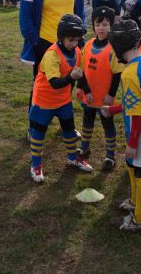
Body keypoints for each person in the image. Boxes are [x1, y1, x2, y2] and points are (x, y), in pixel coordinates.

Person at [101, 19, 141, 232]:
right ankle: (136, 202)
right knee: (134, 167)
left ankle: (139, 219)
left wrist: (132, 143)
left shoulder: (129, 74)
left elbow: (138, 112)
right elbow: (139, 102)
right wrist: (113, 109)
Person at [19, 0, 85, 104]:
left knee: (68, 83)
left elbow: (80, 12)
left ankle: (66, 123)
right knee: (41, 85)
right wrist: (36, 41)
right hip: (45, 44)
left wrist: (79, 36)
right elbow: (25, 20)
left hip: (70, 45)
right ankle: (34, 126)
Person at [28, 14, 93, 182]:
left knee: (69, 130)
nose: (74, 43)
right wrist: (72, 78)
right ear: (61, 37)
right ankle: (35, 164)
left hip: (63, 100)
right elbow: (55, 83)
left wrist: (85, 89)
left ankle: (72, 157)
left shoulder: (77, 51)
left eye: (77, 40)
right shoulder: (52, 55)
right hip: (44, 100)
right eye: (71, 39)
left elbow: (80, 73)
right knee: (39, 133)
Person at [76, 7, 123, 171]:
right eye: (98, 24)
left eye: (105, 24)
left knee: (107, 125)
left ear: (111, 25)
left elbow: (117, 74)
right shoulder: (88, 44)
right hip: (88, 95)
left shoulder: (113, 48)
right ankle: (84, 147)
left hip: (104, 98)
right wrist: (81, 88)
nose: (101, 28)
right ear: (93, 26)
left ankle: (110, 156)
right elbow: (81, 69)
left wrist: (111, 95)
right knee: (87, 121)